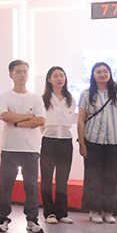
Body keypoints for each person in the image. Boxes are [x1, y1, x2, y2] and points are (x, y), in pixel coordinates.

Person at [0, 60, 47, 233]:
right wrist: (28, 117)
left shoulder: (35, 98)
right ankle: (3, 219)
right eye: (18, 71)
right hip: (10, 147)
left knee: (31, 186)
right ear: (11, 75)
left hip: (31, 149)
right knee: (6, 185)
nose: (22, 74)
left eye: (25, 71)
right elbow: (4, 116)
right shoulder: (5, 96)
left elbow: (41, 120)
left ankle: (32, 219)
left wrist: (17, 121)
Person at [78, 62, 117, 224]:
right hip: (93, 140)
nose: (102, 74)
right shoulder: (86, 94)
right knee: (93, 177)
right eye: (98, 72)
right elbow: (81, 120)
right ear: (93, 75)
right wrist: (82, 143)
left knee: (113, 177)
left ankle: (108, 210)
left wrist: (116, 130)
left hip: (115, 141)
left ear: (110, 74)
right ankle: (94, 210)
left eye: (105, 71)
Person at [41, 67, 77, 224]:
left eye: (62, 75)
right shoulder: (43, 99)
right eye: (55, 76)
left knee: (63, 179)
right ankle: (49, 213)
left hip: (66, 141)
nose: (59, 78)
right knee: (47, 178)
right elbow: (41, 123)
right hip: (49, 140)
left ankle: (62, 213)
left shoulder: (71, 99)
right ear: (49, 79)